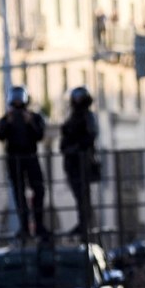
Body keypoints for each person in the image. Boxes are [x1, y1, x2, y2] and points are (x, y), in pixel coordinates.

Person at [0, 85, 49, 239]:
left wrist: (30, 122)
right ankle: (24, 227)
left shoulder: (34, 117)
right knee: (19, 194)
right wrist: (8, 122)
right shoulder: (6, 118)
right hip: (14, 160)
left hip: (31, 157)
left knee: (39, 190)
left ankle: (39, 225)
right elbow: (0, 135)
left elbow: (40, 135)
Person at [59, 86, 100, 236]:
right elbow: (65, 138)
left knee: (84, 195)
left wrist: (76, 148)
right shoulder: (73, 116)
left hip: (83, 161)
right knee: (79, 195)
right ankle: (83, 223)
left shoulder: (88, 116)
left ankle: (85, 224)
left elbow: (90, 136)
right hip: (72, 162)